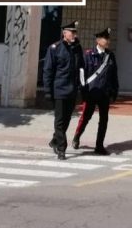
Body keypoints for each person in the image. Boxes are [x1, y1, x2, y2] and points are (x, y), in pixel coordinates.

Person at [72, 27, 119, 155]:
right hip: (91, 92)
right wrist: (83, 91)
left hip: (104, 93)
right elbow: (82, 74)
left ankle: (99, 145)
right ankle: (76, 136)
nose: (107, 40)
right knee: (86, 117)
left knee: (104, 120)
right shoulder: (88, 55)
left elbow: (114, 75)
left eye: (108, 38)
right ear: (98, 40)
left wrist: (114, 91)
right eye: (105, 38)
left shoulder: (110, 56)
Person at [43, 20, 84, 160]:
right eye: (71, 32)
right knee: (59, 121)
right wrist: (48, 90)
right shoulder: (55, 48)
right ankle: (61, 148)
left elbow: (81, 69)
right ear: (64, 33)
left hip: (72, 90)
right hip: (59, 89)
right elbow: (48, 70)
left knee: (66, 119)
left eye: (75, 32)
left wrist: (82, 87)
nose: (73, 34)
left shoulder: (77, 48)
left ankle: (55, 140)